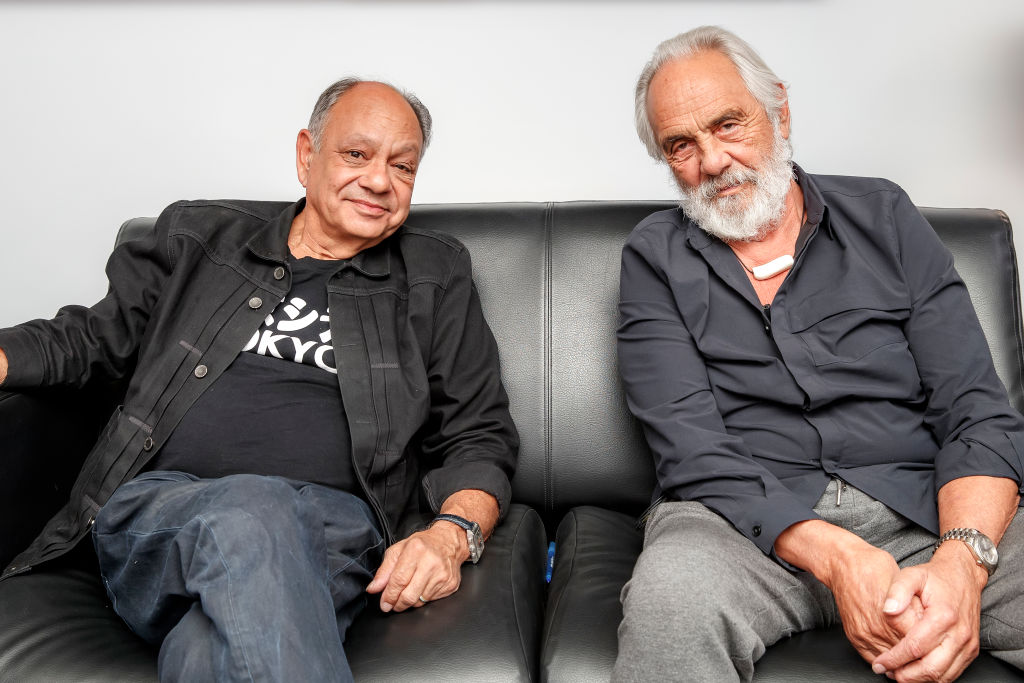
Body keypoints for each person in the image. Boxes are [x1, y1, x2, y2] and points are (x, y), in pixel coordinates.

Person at [0, 78, 518, 682]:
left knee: (203, 649)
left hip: (335, 529)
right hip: (162, 508)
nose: (380, 181)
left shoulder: (433, 275)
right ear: (306, 154)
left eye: (402, 167)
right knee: (256, 506)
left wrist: (452, 536)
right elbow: (88, 339)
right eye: (357, 155)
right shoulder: (199, 238)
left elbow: (479, 434)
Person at [615, 26, 1023, 683]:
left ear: (779, 109)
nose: (713, 161)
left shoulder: (884, 215)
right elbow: (690, 448)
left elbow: (977, 413)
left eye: (728, 124)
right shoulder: (654, 256)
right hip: (744, 531)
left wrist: (961, 562)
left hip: (922, 512)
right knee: (671, 598)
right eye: (681, 145)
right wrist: (840, 557)